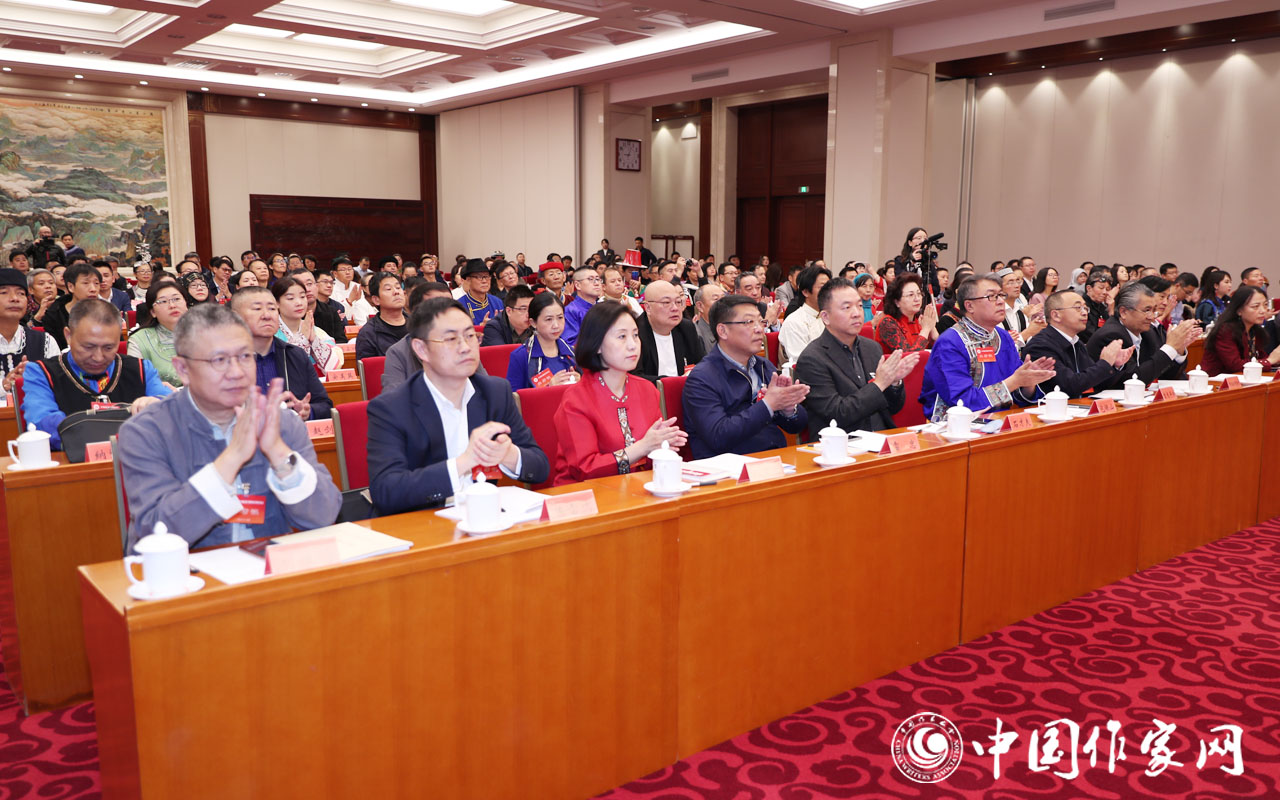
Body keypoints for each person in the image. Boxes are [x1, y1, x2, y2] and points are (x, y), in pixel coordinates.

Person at [117, 303, 341, 552]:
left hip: (269, 567)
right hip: (188, 571)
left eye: (245, 357)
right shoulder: (147, 431)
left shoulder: (281, 422)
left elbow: (324, 515)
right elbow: (155, 532)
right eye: (219, 360)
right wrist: (232, 458)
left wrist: (278, 452)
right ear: (183, 369)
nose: (236, 372)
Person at [367, 298, 548, 515]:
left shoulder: (495, 392)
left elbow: (540, 467)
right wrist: (464, 462)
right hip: (422, 525)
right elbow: (386, 491)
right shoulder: (391, 407)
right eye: (451, 339)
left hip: (486, 519)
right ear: (421, 349)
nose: (465, 347)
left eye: (470, 336)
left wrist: (508, 454)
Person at [552, 301, 686, 485]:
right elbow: (585, 469)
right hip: (586, 495)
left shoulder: (647, 389)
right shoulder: (576, 399)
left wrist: (663, 445)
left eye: (635, 335)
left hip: (638, 488)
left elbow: (651, 458)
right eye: (622, 336)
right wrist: (642, 447)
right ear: (597, 345)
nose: (632, 345)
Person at [21, 299, 170, 450]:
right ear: (68, 335)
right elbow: (42, 422)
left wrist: (156, 404)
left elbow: (170, 407)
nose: (98, 357)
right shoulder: (41, 373)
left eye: (108, 348)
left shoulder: (141, 369)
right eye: (88, 347)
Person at [683, 294, 808, 458]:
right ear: (723, 331)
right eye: (749, 322)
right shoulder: (701, 378)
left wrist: (788, 409)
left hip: (774, 460)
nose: (759, 329)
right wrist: (768, 405)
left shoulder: (763, 366)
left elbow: (797, 427)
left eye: (761, 322)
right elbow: (718, 436)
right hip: (730, 467)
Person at [794, 278, 919, 438]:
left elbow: (892, 408)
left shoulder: (872, 348)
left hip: (881, 439)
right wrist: (880, 384)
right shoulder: (812, 359)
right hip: (842, 444)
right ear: (825, 317)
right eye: (847, 307)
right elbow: (838, 414)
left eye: (859, 306)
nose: (857, 313)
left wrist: (894, 382)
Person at [919, 276, 1055, 421]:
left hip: (1000, 420)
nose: (1001, 301)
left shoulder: (1003, 337)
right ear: (969, 306)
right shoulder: (950, 342)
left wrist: (1028, 381)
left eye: (1001, 295)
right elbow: (961, 402)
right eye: (992, 296)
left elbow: (1017, 393)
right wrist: (1015, 381)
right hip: (956, 426)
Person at [231, 288, 331, 421]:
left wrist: (307, 412)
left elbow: (325, 406)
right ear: (236, 317)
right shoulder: (221, 361)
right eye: (257, 309)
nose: (267, 315)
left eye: (272, 309)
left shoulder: (295, 355)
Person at [1086, 282, 1199, 389]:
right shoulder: (1112, 335)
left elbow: (1165, 375)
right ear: (1123, 312)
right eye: (1147, 310)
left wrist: (1178, 349)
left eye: (1153, 310)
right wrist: (1170, 348)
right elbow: (1134, 379)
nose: (1152, 317)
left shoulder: (1148, 333)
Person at [1022, 290, 1133, 398]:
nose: (1084, 313)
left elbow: (1096, 383)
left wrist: (1115, 365)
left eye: (1085, 308)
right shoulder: (1041, 346)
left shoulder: (1076, 343)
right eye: (1078, 307)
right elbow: (1069, 386)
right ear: (1056, 315)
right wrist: (1105, 363)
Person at [381, 282, 456, 392]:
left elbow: (482, 388)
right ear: (416, 314)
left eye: (451, 307)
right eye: (437, 307)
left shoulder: (464, 344)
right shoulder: (398, 353)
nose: (447, 314)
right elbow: (394, 397)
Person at [634, 278, 704, 382]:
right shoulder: (636, 333)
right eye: (666, 302)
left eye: (678, 302)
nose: (675, 308)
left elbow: (701, 364)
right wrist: (673, 382)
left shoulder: (686, 328)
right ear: (648, 308)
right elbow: (635, 377)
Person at [0, 269, 58, 394]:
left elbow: (58, 385)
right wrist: (3, 386)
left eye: (21, 293)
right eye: (4, 292)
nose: (14, 298)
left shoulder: (45, 341)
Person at [1202, 286, 1280, 376]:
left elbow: (1260, 358)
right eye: (1255, 306)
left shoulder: (1255, 330)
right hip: (1215, 382)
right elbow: (1235, 365)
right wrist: (1269, 361)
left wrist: (1276, 360)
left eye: (1265, 305)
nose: (1263, 311)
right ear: (1239, 310)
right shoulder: (1225, 330)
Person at [506, 292, 577, 390]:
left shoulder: (571, 353)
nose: (556, 325)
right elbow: (514, 396)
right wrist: (548, 389)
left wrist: (580, 383)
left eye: (560, 318)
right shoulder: (521, 356)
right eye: (548, 319)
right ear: (533, 323)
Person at [127, 281, 188, 387]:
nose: (172, 305)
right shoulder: (139, 340)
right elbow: (134, 382)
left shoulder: (205, 333)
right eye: (163, 301)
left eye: (176, 299)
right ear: (153, 312)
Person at [273, 275, 336, 370]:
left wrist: (314, 340)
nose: (299, 303)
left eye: (303, 297)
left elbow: (334, 366)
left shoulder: (315, 331)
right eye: (290, 298)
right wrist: (302, 339)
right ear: (276, 302)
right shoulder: (269, 333)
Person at [40, 261, 103, 350]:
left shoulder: (105, 312)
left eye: (96, 283)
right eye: (86, 283)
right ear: (71, 287)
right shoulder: (54, 315)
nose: (93, 289)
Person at [778, 264, 832, 362]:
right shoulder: (794, 322)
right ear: (805, 292)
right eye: (822, 287)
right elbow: (802, 361)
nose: (829, 292)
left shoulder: (830, 317)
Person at [874, 273, 938, 355]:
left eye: (919, 294)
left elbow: (940, 352)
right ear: (897, 302)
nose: (917, 299)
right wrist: (925, 329)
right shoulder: (887, 323)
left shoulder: (918, 319)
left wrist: (932, 331)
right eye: (911, 295)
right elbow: (908, 357)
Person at [354, 272, 408, 360]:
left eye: (398, 287)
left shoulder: (419, 325)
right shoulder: (368, 334)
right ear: (376, 300)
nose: (396, 292)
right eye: (388, 289)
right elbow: (369, 367)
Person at [454, 258, 503, 325]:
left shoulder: (497, 302)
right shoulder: (460, 306)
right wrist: (481, 327)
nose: (484, 281)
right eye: (479, 277)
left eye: (487, 276)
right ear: (468, 280)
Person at [563, 267, 602, 346]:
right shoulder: (570, 311)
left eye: (598, 279)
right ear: (578, 285)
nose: (597, 283)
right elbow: (570, 344)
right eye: (591, 279)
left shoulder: (603, 308)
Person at [311, 270, 348, 341]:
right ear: (314, 284)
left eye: (331, 283)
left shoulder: (338, 306)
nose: (329, 285)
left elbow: (343, 330)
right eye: (325, 282)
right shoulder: (310, 305)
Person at [692, 283, 726, 355]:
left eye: (723, 298)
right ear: (700, 306)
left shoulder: (733, 327)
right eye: (716, 299)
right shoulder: (697, 336)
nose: (723, 303)